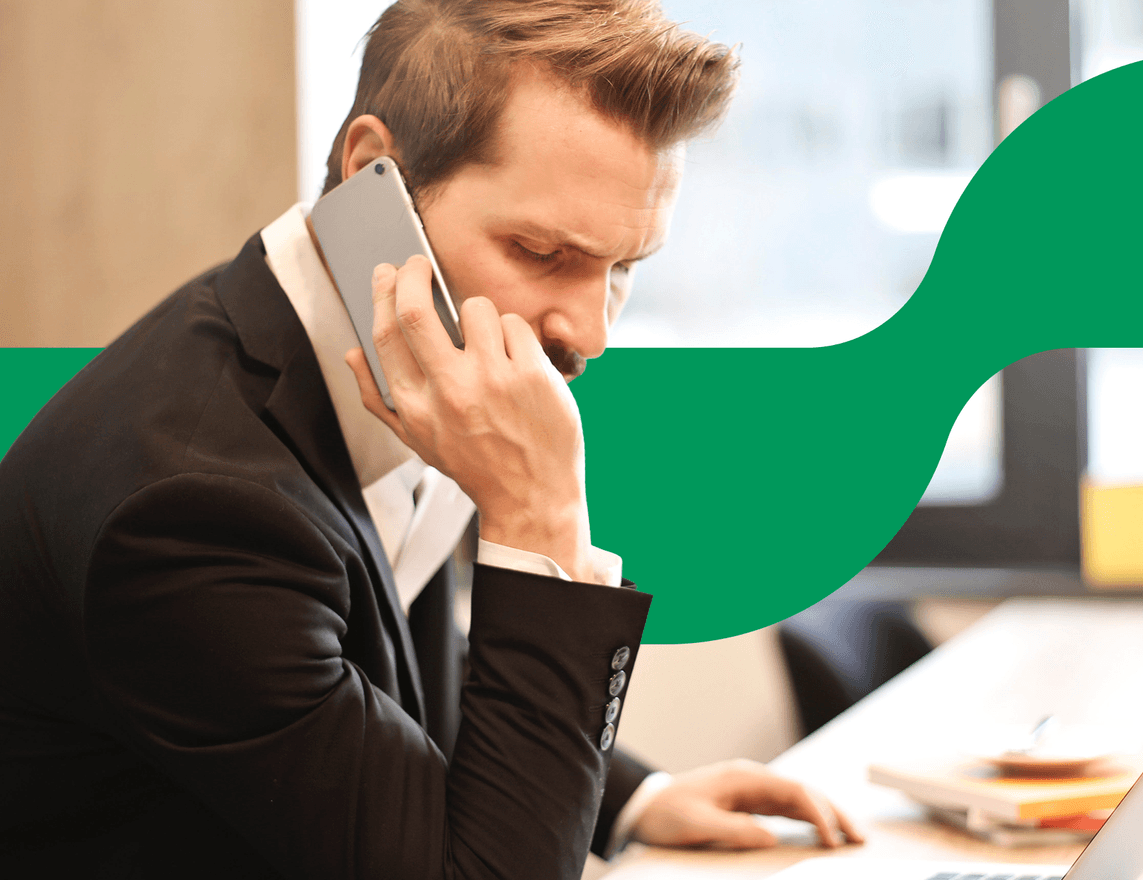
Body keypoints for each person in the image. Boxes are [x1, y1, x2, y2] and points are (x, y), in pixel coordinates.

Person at [0, 2, 861, 877]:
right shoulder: (192, 512)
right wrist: (540, 519)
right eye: (540, 249)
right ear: (378, 175)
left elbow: (380, 683)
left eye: (625, 268)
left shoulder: (386, 351)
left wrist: (626, 799)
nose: (592, 332)